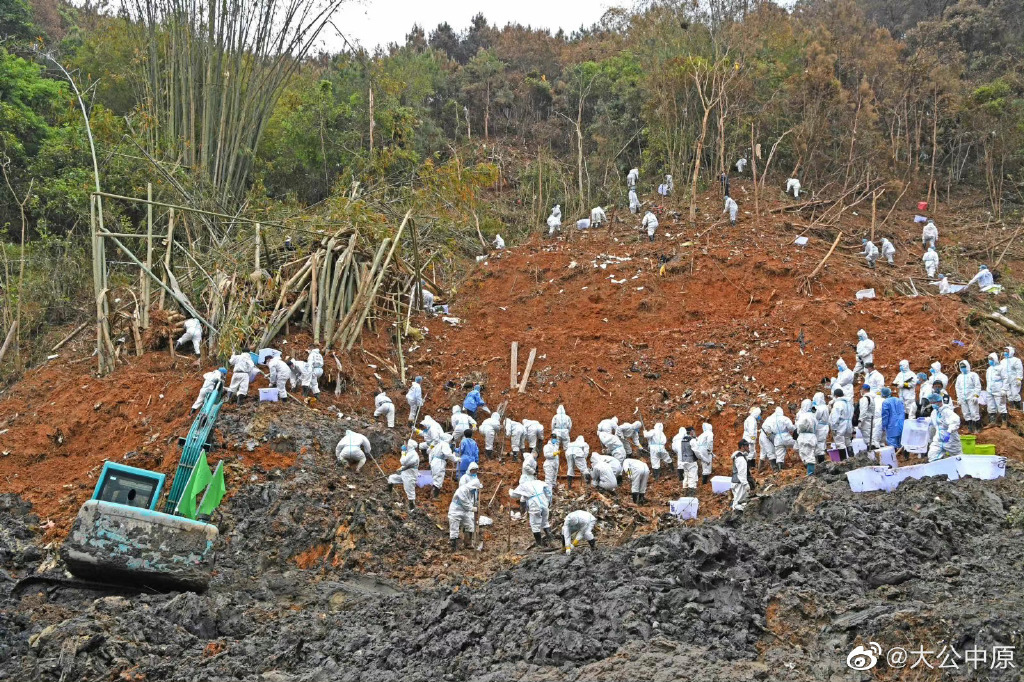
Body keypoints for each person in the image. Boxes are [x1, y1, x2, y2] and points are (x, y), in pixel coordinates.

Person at [510, 478, 554, 547]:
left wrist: (510, 491)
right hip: (544, 503)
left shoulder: (523, 485)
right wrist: (549, 502)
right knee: (545, 523)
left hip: (535, 505)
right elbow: (548, 491)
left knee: (535, 525)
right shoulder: (538, 482)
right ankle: (552, 541)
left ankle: (539, 545)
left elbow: (514, 495)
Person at [447, 471, 481, 551]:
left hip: (465, 511)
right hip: (456, 510)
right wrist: (473, 508)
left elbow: (472, 501)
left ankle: (468, 543)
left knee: (469, 525)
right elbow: (465, 503)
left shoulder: (472, 492)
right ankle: (453, 546)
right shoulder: (462, 490)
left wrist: (475, 504)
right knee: (454, 528)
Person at [926, 393, 962, 462]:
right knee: (932, 455)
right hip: (939, 439)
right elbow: (933, 421)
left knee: (958, 458)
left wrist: (949, 432)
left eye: (934, 402)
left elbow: (955, 421)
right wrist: (924, 421)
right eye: (931, 402)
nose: (932, 404)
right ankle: (938, 471)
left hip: (950, 439)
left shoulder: (947, 411)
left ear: (939, 401)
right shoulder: (934, 412)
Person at [388, 444, 420, 511]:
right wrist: (400, 469)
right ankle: (388, 495)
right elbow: (406, 465)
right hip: (404, 474)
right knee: (391, 478)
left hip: (410, 476)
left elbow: (404, 462)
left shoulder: (413, 454)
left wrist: (403, 453)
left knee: (410, 492)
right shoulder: (410, 453)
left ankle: (412, 509)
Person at [954, 360, 982, 433]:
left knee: (974, 412)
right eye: (961, 367)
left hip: (971, 397)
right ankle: (970, 428)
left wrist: (976, 395)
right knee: (965, 413)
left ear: (967, 366)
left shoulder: (973, 375)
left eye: (964, 366)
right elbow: (957, 388)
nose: (963, 368)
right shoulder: (960, 377)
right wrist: (959, 398)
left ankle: (977, 428)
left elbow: (977, 386)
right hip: (963, 397)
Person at [830, 388, 854, 459]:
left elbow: (835, 417)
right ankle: (852, 458)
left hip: (841, 424)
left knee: (840, 442)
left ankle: (843, 461)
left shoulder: (838, 404)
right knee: (848, 441)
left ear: (836, 396)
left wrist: (833, 427)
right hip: (849, 423)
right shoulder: (849, 403)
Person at [795, 400, 818, 475]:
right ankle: (811, 470)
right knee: (809, 454)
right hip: (812, 436)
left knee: (808, 456)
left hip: (804, 436)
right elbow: (816, 426)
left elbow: (799, 426)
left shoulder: (803, 416)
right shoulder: (813, 415)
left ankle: (810, 474)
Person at [985, 352, 1009, 426]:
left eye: (991, 359)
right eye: (989, 359)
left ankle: (1004, 422)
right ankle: (992, 422)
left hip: (999, 390)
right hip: (990, 390)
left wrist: (1004, 389)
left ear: (995, 359)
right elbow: (988, 380)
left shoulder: (1001, 368)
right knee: (991, 406)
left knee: (1001, 406)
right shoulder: (989, 369)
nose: (990, 361)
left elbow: (1005, 378)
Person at [673, 426, 698, 491]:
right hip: (689, 457)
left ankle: (683, 483)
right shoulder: (688, 438)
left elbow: (673, 447)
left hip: (681, 455)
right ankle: (691, 489)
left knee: (683, 467)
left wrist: (677, 452)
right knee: (692, 473)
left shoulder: (676, 437)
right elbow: (695, 449)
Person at [858, 384, 882, 449]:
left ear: (863, 390)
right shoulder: (872, 398)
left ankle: (871, 456)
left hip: (866, 421)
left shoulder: (864, 399)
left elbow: (863, 411)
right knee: (872, 439)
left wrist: (860, 421)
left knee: (868, 440)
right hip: (871, 420)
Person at [731, 441, 751, 510]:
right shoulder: (740, 459)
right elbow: (741, 473)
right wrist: (746, 485)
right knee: (738, 504)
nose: (749, 448)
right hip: (740, 484)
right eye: (747, 446)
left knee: (738, 501)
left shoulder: (739, 457)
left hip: (737, 482)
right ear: (742, 447)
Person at [1003, 346, 1023, 411]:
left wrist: (1019, 379)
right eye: (1005, 351)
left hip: (1014, 380)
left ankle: (1018, 409)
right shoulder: (1003, 361)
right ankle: (1012, 410)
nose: (1005, 352)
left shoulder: (1016, 360)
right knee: (1009, 395)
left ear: (1011, 352)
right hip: (1006, 381)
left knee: (1015, 394)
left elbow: (1019, 370)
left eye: (1007, 351)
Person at [812, 392, 830, 464]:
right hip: (824, 427)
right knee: (822, 444)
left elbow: (815, 416)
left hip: (820, 428)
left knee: (819, 445)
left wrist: (813, 408)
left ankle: (821, 462)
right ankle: (822, 460)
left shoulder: (820, 408)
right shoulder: (825, 406)